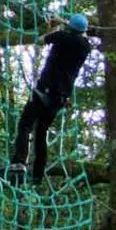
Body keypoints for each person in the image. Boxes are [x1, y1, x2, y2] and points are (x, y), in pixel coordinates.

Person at [8, 13, 92, 185]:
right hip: (59, 98)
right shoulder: (85, 47)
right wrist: (65, 24)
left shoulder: (61, 37)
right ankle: (37, 174)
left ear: (70, 28)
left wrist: (55, 25)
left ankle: (18, 163)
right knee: (41, 133)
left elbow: (41, 40)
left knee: (25, 125)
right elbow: (78, 35)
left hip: (44, 90)